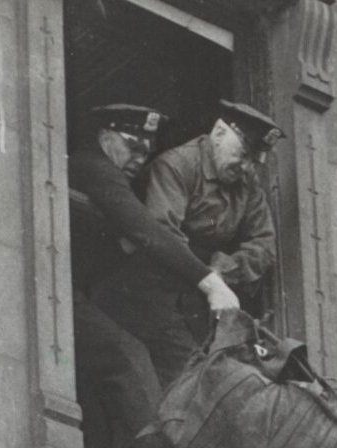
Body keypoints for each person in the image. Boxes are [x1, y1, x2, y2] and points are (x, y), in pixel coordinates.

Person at [68, 103, 239, 448]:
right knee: (128, 355)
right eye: (134, 145)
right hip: (66, 296)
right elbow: (145, 230)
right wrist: (209, 282)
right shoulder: (92, 165)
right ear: (106, 138)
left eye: (148, 150)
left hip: (86, 294)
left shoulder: (109, 174)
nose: (141, 158)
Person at [91, 100, 285, 390]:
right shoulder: (176, 164)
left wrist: (224, 269)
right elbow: (164, 234)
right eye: (242, 155)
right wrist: (207, 278)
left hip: (201, 301)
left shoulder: (248, 185)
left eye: (253, 162)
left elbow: (264, 245)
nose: (245, 168)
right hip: (148, 293)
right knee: (186, 383)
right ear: (219, 134)